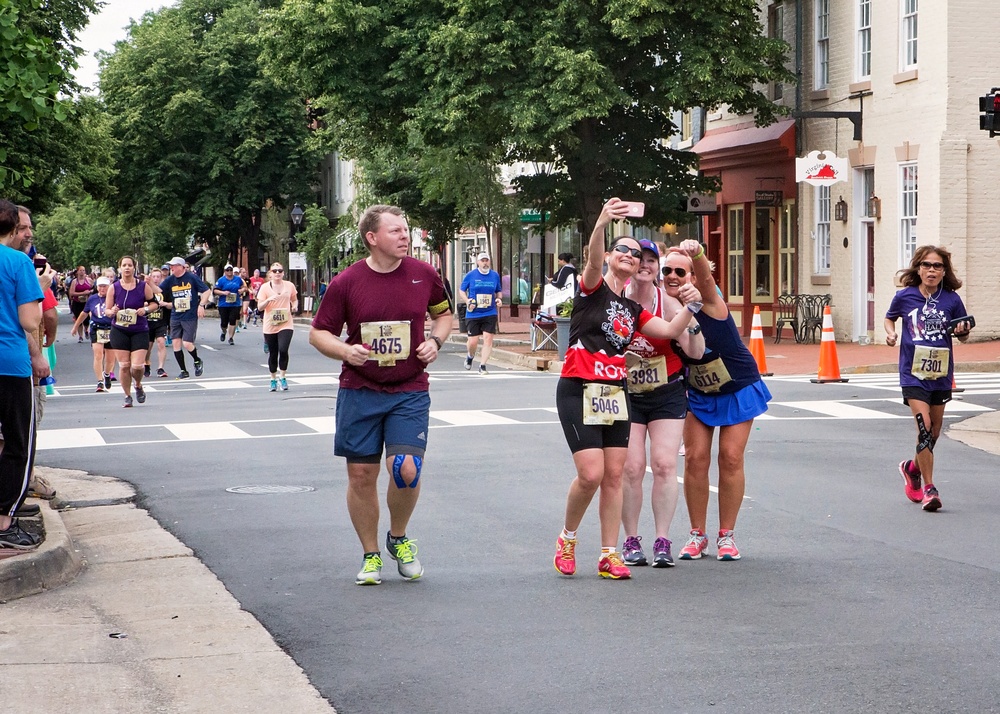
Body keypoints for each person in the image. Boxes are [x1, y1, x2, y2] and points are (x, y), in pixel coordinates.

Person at [553, 199, 701, 580]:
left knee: (616, 475)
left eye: (636, 255)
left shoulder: (634, 311)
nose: (630, 257)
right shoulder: (593, 288)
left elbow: (669, 332)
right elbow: (590, 259)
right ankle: (568, 538)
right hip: (578, 387)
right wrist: (602, 221)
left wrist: (691, 306)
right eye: (623, 250)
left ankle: (609, 554)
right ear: (609, 256)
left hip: (614, 392)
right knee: (591, 474)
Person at [309, 204, 451, 586]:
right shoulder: (346, 282)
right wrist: (345, 350)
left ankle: (399, 537)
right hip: (360, 388)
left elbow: (444, 315)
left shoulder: (424, 274)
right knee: (361, 474)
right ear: (372, 238)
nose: (405, 236)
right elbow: (318, 332)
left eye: (406, 230)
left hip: (409, 387)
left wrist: (435, 341)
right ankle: (371, 554)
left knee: (407, 468)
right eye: (396, 231)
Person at [673, 239, 772, 562]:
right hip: (698, 391)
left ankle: (726, 536)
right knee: (695, 458)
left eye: (681, 271)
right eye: (668, 271)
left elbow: (706, 281)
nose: (674, 276)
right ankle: (697, 534)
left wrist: (697, 254)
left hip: (738, 386)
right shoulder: (664, 311)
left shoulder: (710, 303)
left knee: (730, 457)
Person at [620, 240, 704, 568]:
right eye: (639, 259)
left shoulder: (667, 303)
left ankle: (662, 540)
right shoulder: (617, 300)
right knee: (631, 467)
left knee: (665, 464)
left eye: (652, 260)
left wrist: (693, 319)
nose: (645, 265)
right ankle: (630, 539)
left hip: (665, 389)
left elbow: (696, 352)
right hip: (625, 392)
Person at [885, 245, 972, 512]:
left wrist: (962, 330)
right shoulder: (905, 296)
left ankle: (912, 468)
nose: (931, 270)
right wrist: (891, 334)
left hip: (941, 373)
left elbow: (964, 334)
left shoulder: (951, 299)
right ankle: (929, 488)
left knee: (934, 431)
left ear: (944, 271)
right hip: (913, 373)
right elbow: (890, 319)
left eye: (937, 266)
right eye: (926, 265)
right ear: (918, 268)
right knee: (923, 429)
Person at [0, 198, 47, 549]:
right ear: (13, 226)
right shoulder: (18, 263)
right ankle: (4, 522)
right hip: (9, 364)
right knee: (19, 443)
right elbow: (30, 320)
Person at [106, 256, 157, 407]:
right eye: (124, 265)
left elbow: (155, 303)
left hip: (139, 330)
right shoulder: (114, 287)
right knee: (124, 365)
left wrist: (145, 309)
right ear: (120, 268)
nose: (127, 268)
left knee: (137, 366)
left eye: (130, 265)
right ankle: (127, 395)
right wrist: (112, 311)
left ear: (134, 268)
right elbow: (107, 311)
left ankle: (138, 385)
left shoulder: (142, 286)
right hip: (120, 330)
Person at [159, 256, 211, 379]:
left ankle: (197, 360)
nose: (172, 268)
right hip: (175, 315)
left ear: (182, 267)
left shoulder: (191, 278)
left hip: (189, 315)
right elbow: (159, 290)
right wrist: (149, 283)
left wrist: (201, 305)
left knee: (187, 343)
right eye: (171, 266)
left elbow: (207, 291)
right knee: (176, 344)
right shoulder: (170, 280)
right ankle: (183, 371)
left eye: (174, 266)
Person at [256, 263, 298, 392]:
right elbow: (259, 307)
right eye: (275, 271)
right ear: (271, 274)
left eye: (280, 270)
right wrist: (268, 300)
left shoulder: (289, 285)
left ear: (283, 273)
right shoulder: (264, 288)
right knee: (273, 353)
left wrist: (294, 306)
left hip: (286, 322)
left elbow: (294, 299)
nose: (277, 273)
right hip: (270, 324)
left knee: (283, 349)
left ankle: (283, 376)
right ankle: (273, 379)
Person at [459, 252, 502, 375]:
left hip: (490, 312)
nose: (485, 263)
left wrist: (499, 299)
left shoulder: (494, 275)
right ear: (478, 262)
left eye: (486, 260)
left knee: (488, 339)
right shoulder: (471, 275)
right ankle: (470, 355)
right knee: (473, 342)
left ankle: (482, 366)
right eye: (482, 260)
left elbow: (498, 291)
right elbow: (461, 290)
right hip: (473, 313)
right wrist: (467, 301)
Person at [71, 277, 115, 390]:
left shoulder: (114, 298)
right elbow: (84, 313)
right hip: (97, 328)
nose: (102, 288)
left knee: (110, 358)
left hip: (111, 328)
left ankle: (106, 374)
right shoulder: (92, 299)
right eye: (100, 286)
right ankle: (100, 381)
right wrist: (76, 326)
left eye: (104, 286)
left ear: (109, 286)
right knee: (98, 354)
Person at [144, 268, 170, 378]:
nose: (156, 279)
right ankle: (146, 364)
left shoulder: (165, 290)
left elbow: (172, 304)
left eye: (158, 277)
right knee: (148, 347)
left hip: (161, 321)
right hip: (147, 322)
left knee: (161, 342)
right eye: (153, 277)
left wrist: (165, 304)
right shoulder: (145, 289)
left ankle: (160, 368)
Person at [213, 264, 244, 345]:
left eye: (231, 270)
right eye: (227, 270)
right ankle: (224, 331)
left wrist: (242, 290)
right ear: (225, 271)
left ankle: (231, 338)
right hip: (223, 304)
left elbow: (244, 287)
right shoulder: (221, 280)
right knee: (224, 321)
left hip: (235, 303)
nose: (229, 272)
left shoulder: (238, 279)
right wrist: (223, 292)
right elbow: (215, 290)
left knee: (233, 320)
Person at [68, 265, 93, 342]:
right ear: (77, 272)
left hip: (87, 302)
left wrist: (89, 292)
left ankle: (86, 330)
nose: (82, 272)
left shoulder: (89, 280)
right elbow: (71, 293)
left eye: (83, 270)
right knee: (78, 318)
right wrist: (82, 293)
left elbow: (94, 289)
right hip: (77, 302)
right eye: (80, 270)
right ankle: (80, 336)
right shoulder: (74, 281)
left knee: (86, 319)